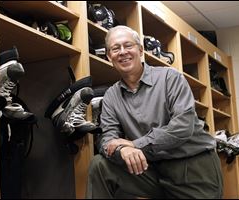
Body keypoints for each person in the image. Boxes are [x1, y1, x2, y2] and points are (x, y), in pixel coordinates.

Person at [86, 25, 223, 199]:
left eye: (128, 45)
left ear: (141, 50)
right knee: (100, 165)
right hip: (151, 168)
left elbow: (182, 127)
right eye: (115, 48)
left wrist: (135, 145)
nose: (122, 52)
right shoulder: (111, 96)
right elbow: (107, 138)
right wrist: (121, 149)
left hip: (193, 167)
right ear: (108, 56)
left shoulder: (170, 78)